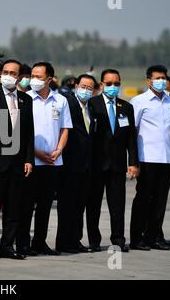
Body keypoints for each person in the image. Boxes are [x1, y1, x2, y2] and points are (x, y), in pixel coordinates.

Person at [0, 59, 34, 260]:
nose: (9, 75)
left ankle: (8, 247)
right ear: (1, 74)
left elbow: (29, 133)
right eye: (6, 72)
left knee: (13, 209)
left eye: (13, 72)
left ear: (19, 77)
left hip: (18, 163)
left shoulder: (26, 100)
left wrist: (29, 159)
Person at [17, 62, 72, 256]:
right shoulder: (24, 99)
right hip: (31, 161)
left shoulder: (61, 100)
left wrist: (58, 150)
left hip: (54, 162)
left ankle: (39, 242)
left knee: (45, 205)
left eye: (39, 77)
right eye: (32, 76)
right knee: (26, 205)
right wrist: (37, 153)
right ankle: (22, 243)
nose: (34, 80)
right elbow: (21, 132)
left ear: (49, 79)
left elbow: (65, 128)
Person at [130, 65, 170, 251]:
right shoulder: (139, 101)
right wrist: (133, 160)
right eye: (157, 78)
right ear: (149, 81)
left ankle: (153, 237)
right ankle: (136, 238)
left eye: (164, 78)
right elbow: (132, 132)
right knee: (143, 198)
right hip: (146, 157)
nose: (161, 81)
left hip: (166, 159)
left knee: (160, 200)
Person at [87, 69, 139, 253]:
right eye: (109, 83)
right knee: (93, 204)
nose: (113, 87)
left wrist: (133, 162)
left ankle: (118, 239)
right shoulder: (92, 104)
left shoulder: (126, 107)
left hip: (117, 165)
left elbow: (131, 138)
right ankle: (94, 241)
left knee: (117, 205)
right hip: (96, 164)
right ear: (101, 85)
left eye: (116, 83)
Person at [56, 74, 95, 253]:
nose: (86, 90)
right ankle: (64, 241)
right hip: (70, 165)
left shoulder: (91, 108)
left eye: (90, 88)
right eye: (83, 86)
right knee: (67, 207)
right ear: (76, 86)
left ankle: (75, 240)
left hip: (86, 167)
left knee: (79, 207)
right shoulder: (68, 103)